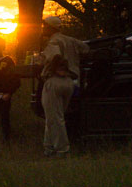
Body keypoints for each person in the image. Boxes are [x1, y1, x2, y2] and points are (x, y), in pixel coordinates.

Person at [39, 15, 89, 157]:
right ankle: (49, 148)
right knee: (54, 116)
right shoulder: (70, 40)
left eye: (45, 26)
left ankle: (62, 150)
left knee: (55, 118)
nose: (43, 28)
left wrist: (54, 69)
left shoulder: (53, 41)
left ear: (50, 27)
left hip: (55, 81)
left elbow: (55, 56)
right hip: (70, 83)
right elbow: (86, 48)